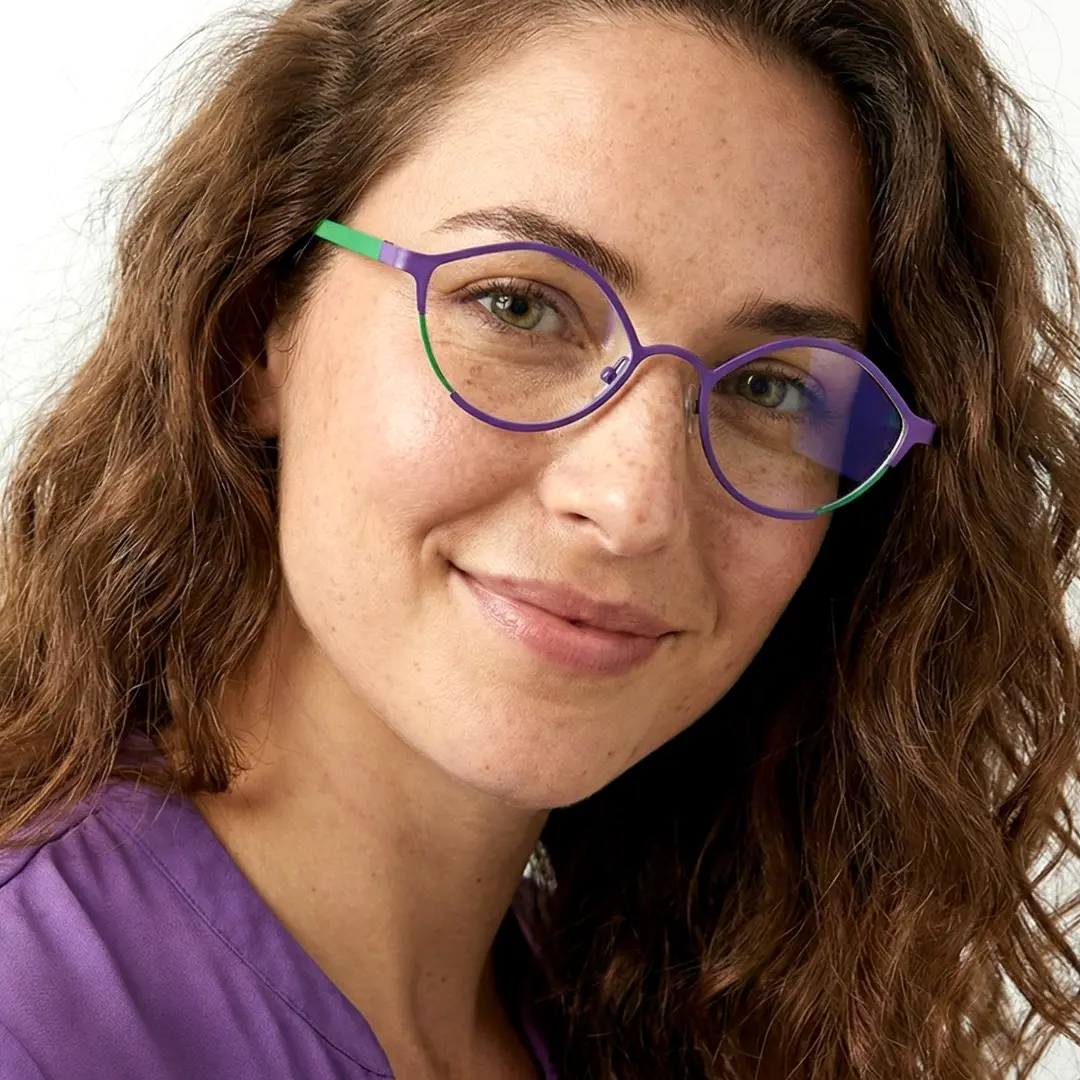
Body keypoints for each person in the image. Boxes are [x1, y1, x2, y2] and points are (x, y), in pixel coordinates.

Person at [0, 0, 1078, 1076]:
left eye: (770, 386)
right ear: (254, 328)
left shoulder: (660, 1025)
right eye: (517, 306)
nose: (632, 505)